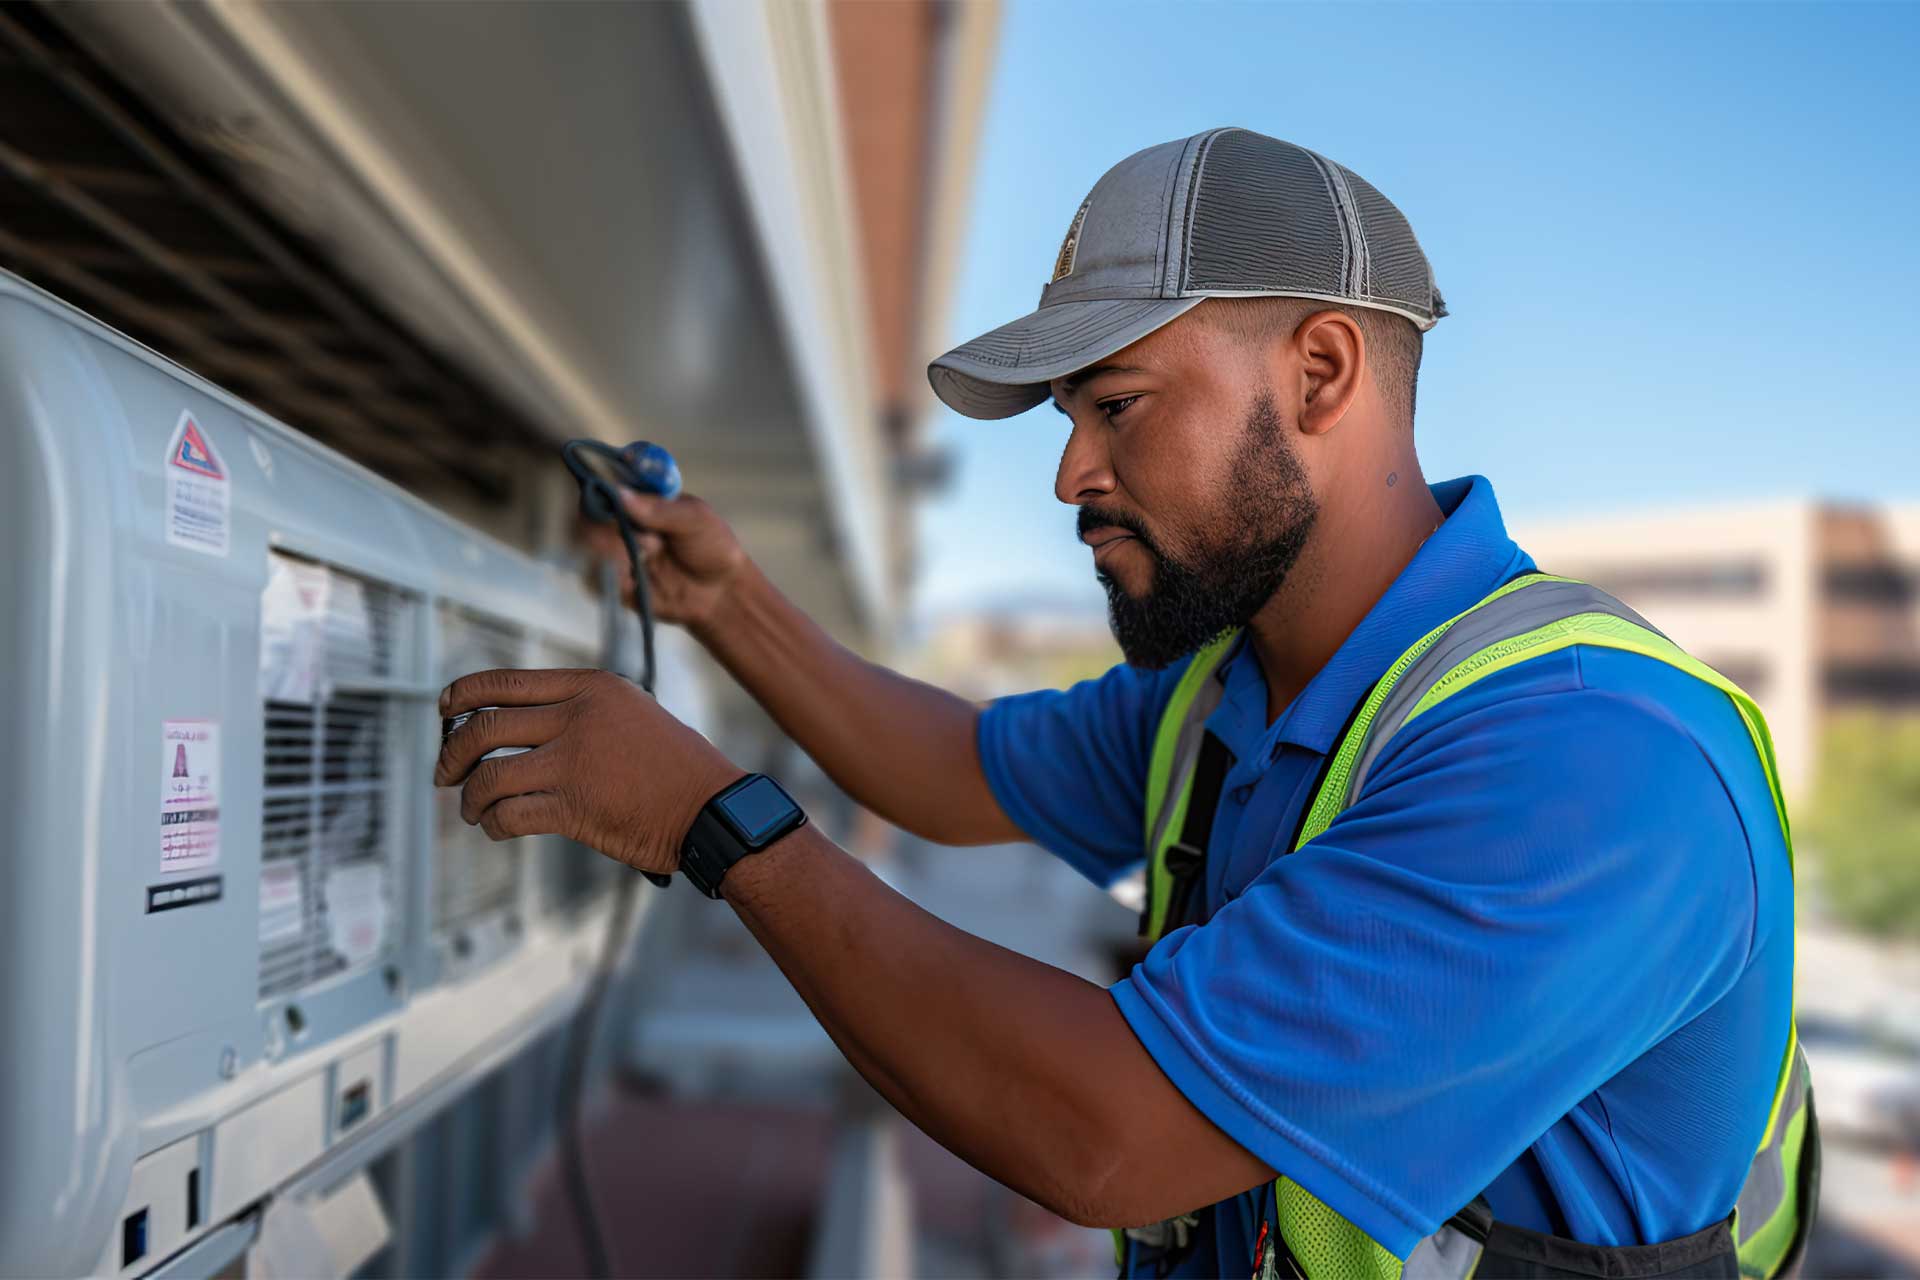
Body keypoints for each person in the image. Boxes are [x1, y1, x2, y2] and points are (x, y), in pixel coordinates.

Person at [437, 129, 1815, 1279]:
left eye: (1119, 404)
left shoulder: (1587, 762)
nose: (1071, 474)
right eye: (1067, 421)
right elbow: (954, 768)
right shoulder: (1230, 681)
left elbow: (1106, 1134)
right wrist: (725, 599)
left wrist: (715, 822)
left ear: (1322, 372)